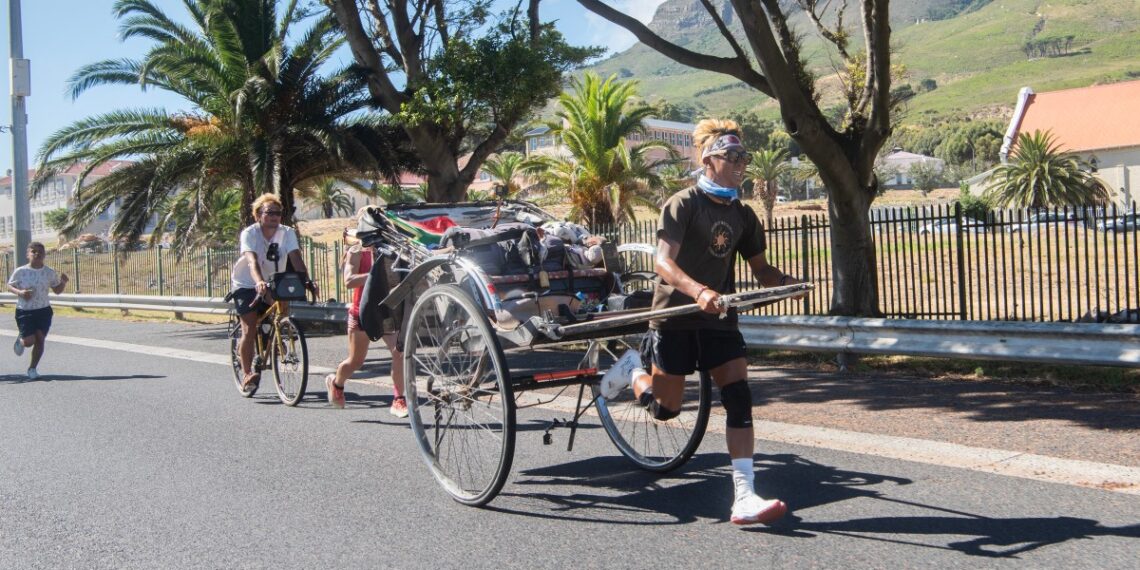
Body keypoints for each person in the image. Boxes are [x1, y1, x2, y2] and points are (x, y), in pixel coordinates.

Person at [600, 119, 803, 526]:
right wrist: (697, 291)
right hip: (675, 315)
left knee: (739, 395)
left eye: (744, 157)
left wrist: (785, 282)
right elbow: (662, 262)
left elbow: (760, 268)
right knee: (665, 410)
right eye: (732, 156)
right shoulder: (683, 203)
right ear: (709, 159)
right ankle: (632, 372)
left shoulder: (744, 215)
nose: (741, 164)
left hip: (719, 318)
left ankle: (744, 496)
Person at [230, 194, 318, 393]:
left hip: (271, 280)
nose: (274, 217)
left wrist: (307, 281)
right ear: (258, 215)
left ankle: (277, 338)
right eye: (269, 213)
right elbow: (252, 261)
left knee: (281, 311)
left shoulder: (287, 233)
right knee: (250, 327)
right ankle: (246, 375)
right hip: (246, 282)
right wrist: (259, 281)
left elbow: (295, 258)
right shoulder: (249, 233)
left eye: (278, 213)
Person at [325, 221, 407, 417]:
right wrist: (375, 275)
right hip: (362, 311)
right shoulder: (356, 249)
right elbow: (349, 281)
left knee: (398, 352)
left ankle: (399, 399)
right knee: (356, 362)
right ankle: (336, 382)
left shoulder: (393, 248)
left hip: (387, 310)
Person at [7, 242, 69, 379]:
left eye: (40, 251)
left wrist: (63, 282)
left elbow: (57, 290)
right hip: (25, 311)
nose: (37, 254)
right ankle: (21, 340)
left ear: (44, 255)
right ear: (28, 254)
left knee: (40, 339)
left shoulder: (49, 272)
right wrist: (20, 292)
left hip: (43, 311)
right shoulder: (21, 271)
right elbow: (9, 286)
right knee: (29, 341)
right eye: (33, 251)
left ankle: (32, 369)